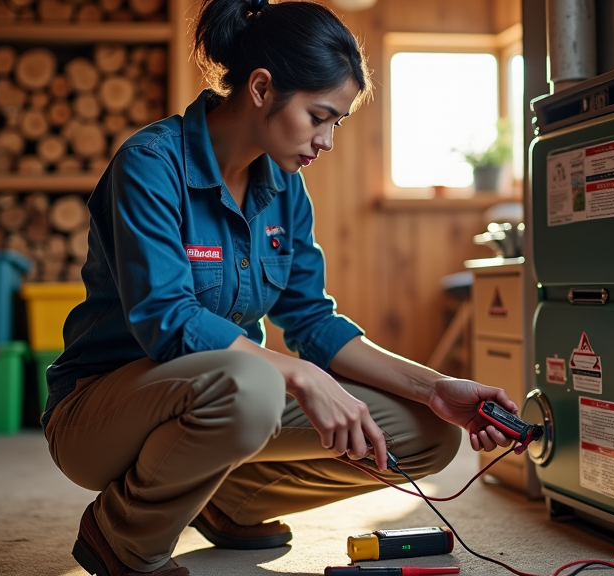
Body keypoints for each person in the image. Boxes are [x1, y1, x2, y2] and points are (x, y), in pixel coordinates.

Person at [43, 1, 521, 575]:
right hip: (98, 415)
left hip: (229, 400)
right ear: (263, 88)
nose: (327, 141)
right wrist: (297, 373)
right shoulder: (150, 164)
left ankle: (225, 498)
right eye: (319, 116)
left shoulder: (285, 189)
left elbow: (314, 322)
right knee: (253, 385)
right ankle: (121, 537)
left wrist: (435, 387)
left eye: (336, 123)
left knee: (427, 436)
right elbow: (165, 319)